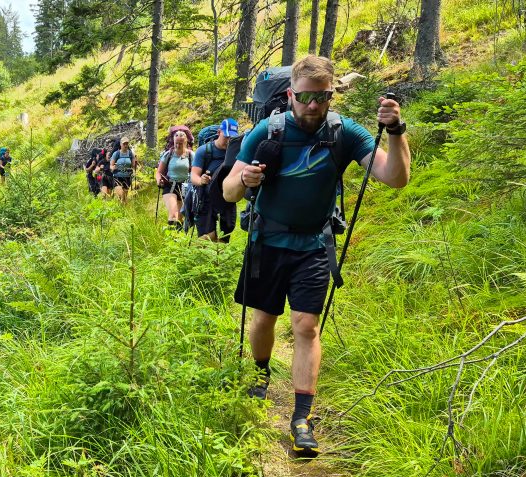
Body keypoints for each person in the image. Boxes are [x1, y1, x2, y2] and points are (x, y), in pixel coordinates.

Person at [222, 55, 411, 456]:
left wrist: (395, 131)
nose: (313, 106)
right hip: (267, 242)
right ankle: (258, 377)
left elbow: (395, 178)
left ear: (330, 95)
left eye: (321, 98)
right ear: (291, 94)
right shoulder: (268, 129)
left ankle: (301, 418)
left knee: (307, 326)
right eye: (306, 97)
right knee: (263, 318)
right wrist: (245, 178)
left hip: (313, 246)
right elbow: (227, 191)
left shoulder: (345, 132)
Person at [191, 119, 238, 242]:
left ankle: (218, 261)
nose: (229, 141)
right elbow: (194, 176)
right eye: (226, 136)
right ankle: (198, 259)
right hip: (206, 198)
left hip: (227, 198)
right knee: (208, 237)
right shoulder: (204, 151)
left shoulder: (236, 152)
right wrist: (201, 180)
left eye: (231, 138)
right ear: (219, 132)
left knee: (224, 236)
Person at [156, 126, 195, 230]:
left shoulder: (191, 155)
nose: (178, 145)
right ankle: (171, 242)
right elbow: (159, 172)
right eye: (176, 142)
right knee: (174, 215)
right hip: (170, 186)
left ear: (186, 141)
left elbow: (196, 171)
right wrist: (158, 180)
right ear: (173, 141)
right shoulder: (168, 154)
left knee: (180, 217)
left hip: (185, 187)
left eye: (180, 143)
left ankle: (177, 242)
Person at [109, 137, 137, 203]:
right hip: (117, 177)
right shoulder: (116, 153)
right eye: (124, 144)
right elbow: (111, 165)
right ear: (120, 144)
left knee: (124, 198)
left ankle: (123, 210)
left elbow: (133, 166)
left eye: (127, 144)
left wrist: (135, 162)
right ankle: (121, 207)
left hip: (127, 177)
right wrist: (112, 167)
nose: (125, 145)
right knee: (121, 194)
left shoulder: (130, 154)